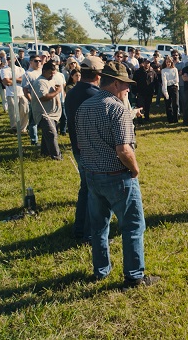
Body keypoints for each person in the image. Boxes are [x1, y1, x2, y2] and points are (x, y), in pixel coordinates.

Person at [76, 61, 159, 289]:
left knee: (98, 227)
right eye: (125, 84)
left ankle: (101, 270)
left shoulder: (84, 107)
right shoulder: (117, 108)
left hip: (92, 175)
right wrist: (135, 169)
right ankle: (134, 276)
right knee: (133, 226)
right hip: (117, 176)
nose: (128, 89)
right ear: (114, 83)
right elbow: (124, 150)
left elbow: (81, 145)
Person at [65, 57, 103, 243]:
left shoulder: (72, 92)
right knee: (93, 193)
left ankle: (80, 229)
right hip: (91, 150)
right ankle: (89, 234)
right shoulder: (95, 95)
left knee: (86, 189)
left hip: (78, 147)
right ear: (97, 75)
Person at [30, 62, 63, 160]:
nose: (52, 75)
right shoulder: (40, 82)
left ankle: (45, 153)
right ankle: (57, 157)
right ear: (44, 71)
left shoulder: (51, 80)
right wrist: (57, 91)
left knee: (47, 134)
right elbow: (43, 97)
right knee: (51, 133)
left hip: (53, 113)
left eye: (53, 73)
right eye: (50, 73)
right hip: (43, 113)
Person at [2, 58, 28, 133]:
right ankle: (14, 128)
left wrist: (12, 79)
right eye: (8, 59)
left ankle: (23, 128)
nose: (10, 60)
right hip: (11, 94)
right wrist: (18, 80)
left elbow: (24, 80)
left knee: (25, 110)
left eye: (11, 59)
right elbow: (6, 82)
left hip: (22, 92)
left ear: (15, 59)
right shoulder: (4, 70)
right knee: (13, 113)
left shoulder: (21, 69)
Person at [161, 56, 180, 123]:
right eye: (167, 62)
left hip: (174, 87)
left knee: (175, 104)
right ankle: (170, 119)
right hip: (166, 87)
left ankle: (175, 118)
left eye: (169, 62)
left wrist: (169, 82)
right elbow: (164, 81)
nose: (168, 63)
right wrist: (165, 91)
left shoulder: (175, 69)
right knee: (168, 104)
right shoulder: (163, 70)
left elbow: (176, 80)